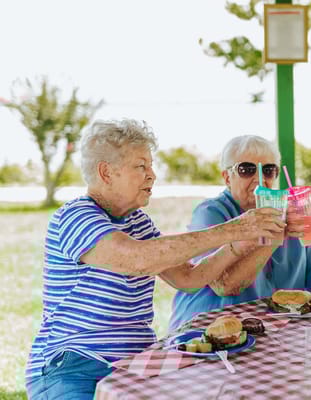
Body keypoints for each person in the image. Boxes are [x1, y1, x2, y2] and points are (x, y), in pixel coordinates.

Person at [25, 120, 286, 400]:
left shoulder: (138, 221)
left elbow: (189, 279)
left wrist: (237, 244)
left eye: (151, 166)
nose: (152, 175)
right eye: (141, 167)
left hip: (136, 362)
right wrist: (233, 229)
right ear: (106, 172)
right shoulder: (76, 216)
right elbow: (136, 259)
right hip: (74, 365)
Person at [169, 135, 311, 331]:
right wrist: (276, 236)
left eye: (268, 170)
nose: (259, 179)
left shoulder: (288, 210)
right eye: (246, 169)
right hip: (205, 332)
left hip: (268, 333)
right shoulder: (212, 213)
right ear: (227, 177)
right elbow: (227, 285)